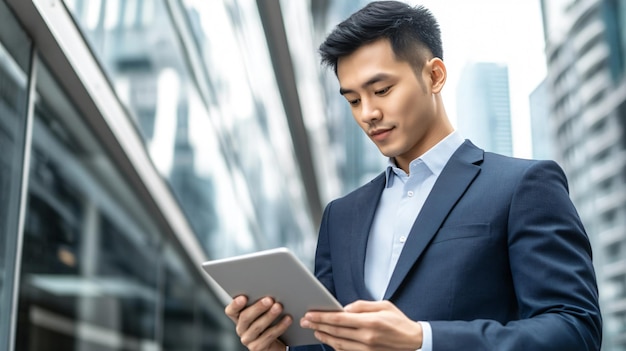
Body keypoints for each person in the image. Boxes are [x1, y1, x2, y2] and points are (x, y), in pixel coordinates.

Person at [225, 1, 602, 350]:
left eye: (382, 90)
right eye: (353, 100)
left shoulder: (522, 186)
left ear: (434, 76)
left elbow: (574, 329)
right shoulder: (340, 216)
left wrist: (424, 339)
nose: (367, 113)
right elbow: (329, 341)